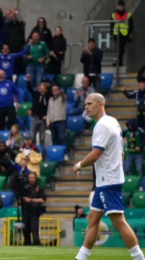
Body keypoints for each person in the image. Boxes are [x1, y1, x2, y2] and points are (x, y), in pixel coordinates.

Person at [74, 93, 145, 260]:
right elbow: (120, 152)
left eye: (90, 103)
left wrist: (78, 165)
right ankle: (81, 257)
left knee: (118, 220)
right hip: (105, 180)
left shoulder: (102, 126)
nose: (86, 107)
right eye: (85, 104)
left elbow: (95, 155)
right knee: (93, 219)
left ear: (101, 105)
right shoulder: (112, 121)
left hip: (108, 181)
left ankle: (139, 258)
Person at [22, 172, 46, 246]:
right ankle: (27, 243)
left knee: (34, 229)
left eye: (33, 178)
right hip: (25, 211)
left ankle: (36, 243)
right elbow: (22, 198)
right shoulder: (24, 188)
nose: (32, 179)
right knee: (25, 229)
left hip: (35, 211)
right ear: (28, 178)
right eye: (30, 178)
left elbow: (42, 200)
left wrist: (31, 200)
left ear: (35, 179)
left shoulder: (39, 188)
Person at [27, 74, 51, 145]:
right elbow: (30, 89)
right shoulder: (36, 94)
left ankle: (41, 153)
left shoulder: (48, 96)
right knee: (32, 137)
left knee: (42, 138)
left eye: (43, 87)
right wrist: (28, 80)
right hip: (35, 118)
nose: (42, 88)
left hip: (43, 120)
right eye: (41, 87)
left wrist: (47, 117)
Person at [111, 0, 133, 66]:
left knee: (121, 49)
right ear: (117, 7)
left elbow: (131, 26)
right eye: (119, 6)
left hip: (124, 34)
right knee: (118, 48)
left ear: (124, 7)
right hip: (116, 34)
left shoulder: (128, 15)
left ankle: (119, 62)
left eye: (121, 6)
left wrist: (128, 34)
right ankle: (119, 62)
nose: (120, 7)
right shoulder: (114, 15)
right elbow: (111, 25)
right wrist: (112, 32)